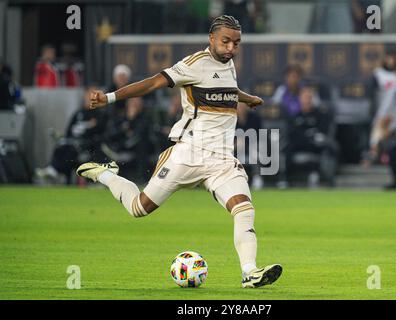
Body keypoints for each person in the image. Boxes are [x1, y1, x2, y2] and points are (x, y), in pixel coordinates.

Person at [76, 15, 282, 288]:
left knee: (244, 209)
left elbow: (227, 88)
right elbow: (152, 83)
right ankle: (106, 175)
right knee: (139, 208)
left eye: (236, 42)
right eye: (226, 41)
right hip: (188, 153)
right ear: (211, 39)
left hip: (221, 159)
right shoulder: (193, 65)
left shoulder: (229, 64)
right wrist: (110, 97)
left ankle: (250, 272)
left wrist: (247, 98)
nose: (231, 47)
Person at [35, 86, 107, 184]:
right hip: (71, 143)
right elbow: (68, 132)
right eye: (89, 95)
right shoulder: (78, 114)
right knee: (61, 146)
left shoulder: (100, 115)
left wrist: (90, 129)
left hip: (87, 147)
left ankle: (53, 170)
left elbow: (101, 134)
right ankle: (53, 170)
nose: (90, 98)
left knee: (69, 150)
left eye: (94, 95)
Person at [286, 87, 337, 186]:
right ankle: (285, 179)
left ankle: (328, 179)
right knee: (286, 147)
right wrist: (307, 135)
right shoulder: (295, 116)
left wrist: (308, 136)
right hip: (299, 144)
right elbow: (292, 133)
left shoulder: (320, 115)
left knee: (330, 147)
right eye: (304, 98)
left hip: (314, 145)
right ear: (300, 99)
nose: (307, 100)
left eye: (309, 97)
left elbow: (322, 132)